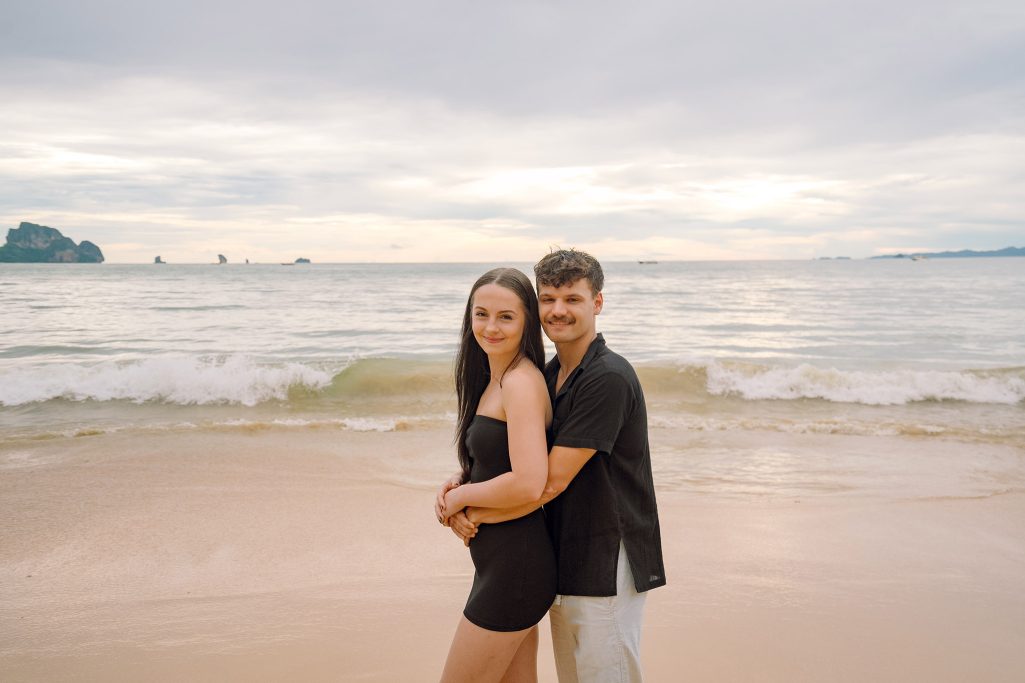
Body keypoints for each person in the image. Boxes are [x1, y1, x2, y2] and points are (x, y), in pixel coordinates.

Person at [442, 249, 666, 682]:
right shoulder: (550, 375)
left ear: (597, 302)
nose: (558, 311)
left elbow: (544, 483)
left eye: (572, 299)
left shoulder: (607, 378)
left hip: (607, 560)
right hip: (564, 554)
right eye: (548, 299)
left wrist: (468, 509)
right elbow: (512, 459)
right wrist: (463, 484)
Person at [435, 267, 557, 682]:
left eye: (506, 316)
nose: (490, 326)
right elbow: (501, 460)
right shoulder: (494, 379)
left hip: (515, 570)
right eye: (481, 313)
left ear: (527, 322)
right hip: (504, 567)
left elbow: (528, 482)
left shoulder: (520, 382)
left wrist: (460, 498)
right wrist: (462, 479)